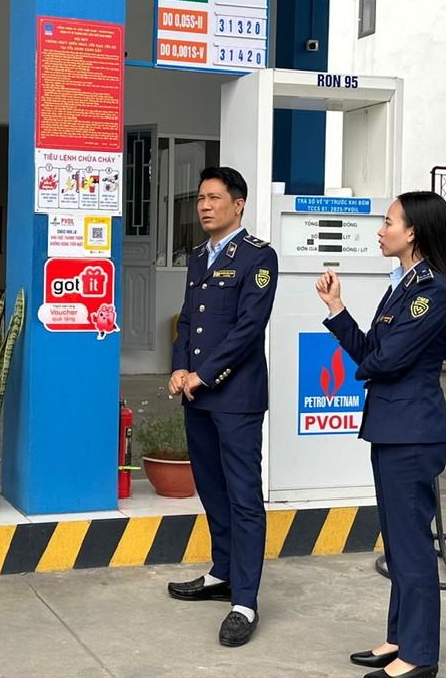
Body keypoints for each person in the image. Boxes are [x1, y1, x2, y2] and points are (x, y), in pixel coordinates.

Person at [315, 191, 446, 678]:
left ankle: (419, 656)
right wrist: (337, 309)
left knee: (412, 543)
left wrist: (374, 360)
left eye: (389, 221)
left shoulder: (432, 291)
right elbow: (371, 351)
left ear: (413, 231)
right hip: (394, 427)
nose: (381, 230)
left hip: (414, 432)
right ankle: (400, 638)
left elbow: (384, 359)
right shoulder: (401, 285)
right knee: (398, 542)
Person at [165, 166, 278, 647]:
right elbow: (188, 320)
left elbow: (248, 330)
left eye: (214, 198)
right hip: (196, 394)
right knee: (211, 489)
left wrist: (203, 374)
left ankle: (245, 601)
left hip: (234, 397)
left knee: (244, 497)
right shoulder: (197, 257)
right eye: (200, 198)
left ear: (239, 204)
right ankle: (222, 573)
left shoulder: (259, 257)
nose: (205, 206)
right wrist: (177, 367)